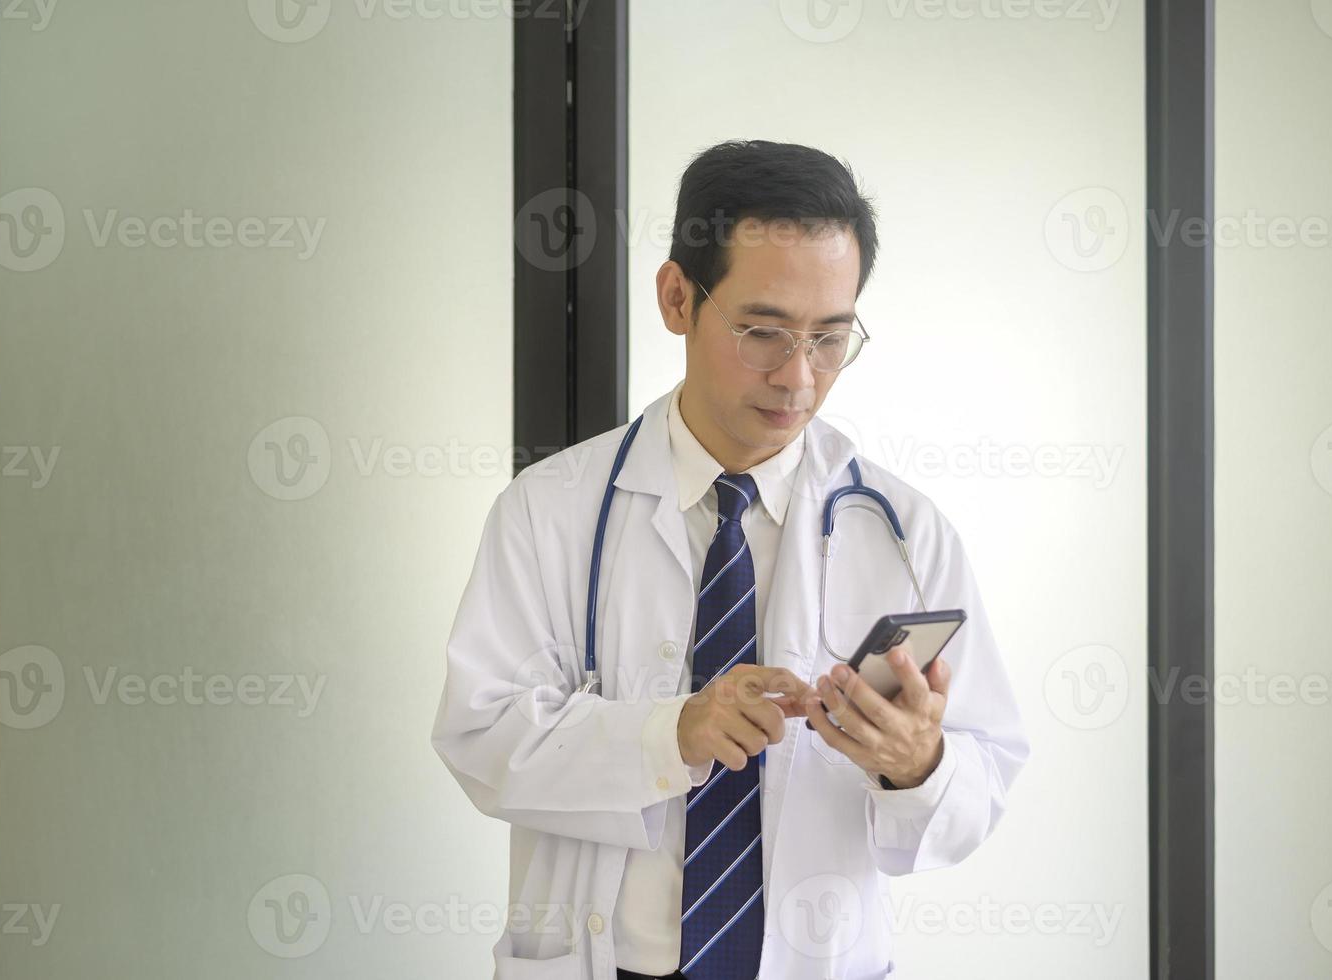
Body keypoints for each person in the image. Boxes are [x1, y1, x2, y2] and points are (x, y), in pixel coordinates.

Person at [432, 139, 1029, 980]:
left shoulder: (906, 533)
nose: (798, 378)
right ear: (678, 298)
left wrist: (916, 765)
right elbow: (479, 737)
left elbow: (982, 787)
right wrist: (668, 731)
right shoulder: (550, 511)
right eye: (762, 332)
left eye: (829, 338)